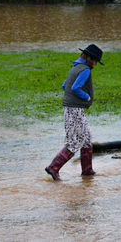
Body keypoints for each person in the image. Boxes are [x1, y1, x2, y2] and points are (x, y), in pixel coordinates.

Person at [45, 44, 104, 181]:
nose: (95, 64)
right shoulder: (85, 70)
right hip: (74, 109)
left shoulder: (75, 67)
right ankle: (53, 167)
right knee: (75, 141)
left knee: (87, 137)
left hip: (70, 108)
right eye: (95, 60)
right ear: (89, 58)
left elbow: (65, 86)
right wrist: (86, 97)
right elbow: (75, 88)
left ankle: (87, 171)